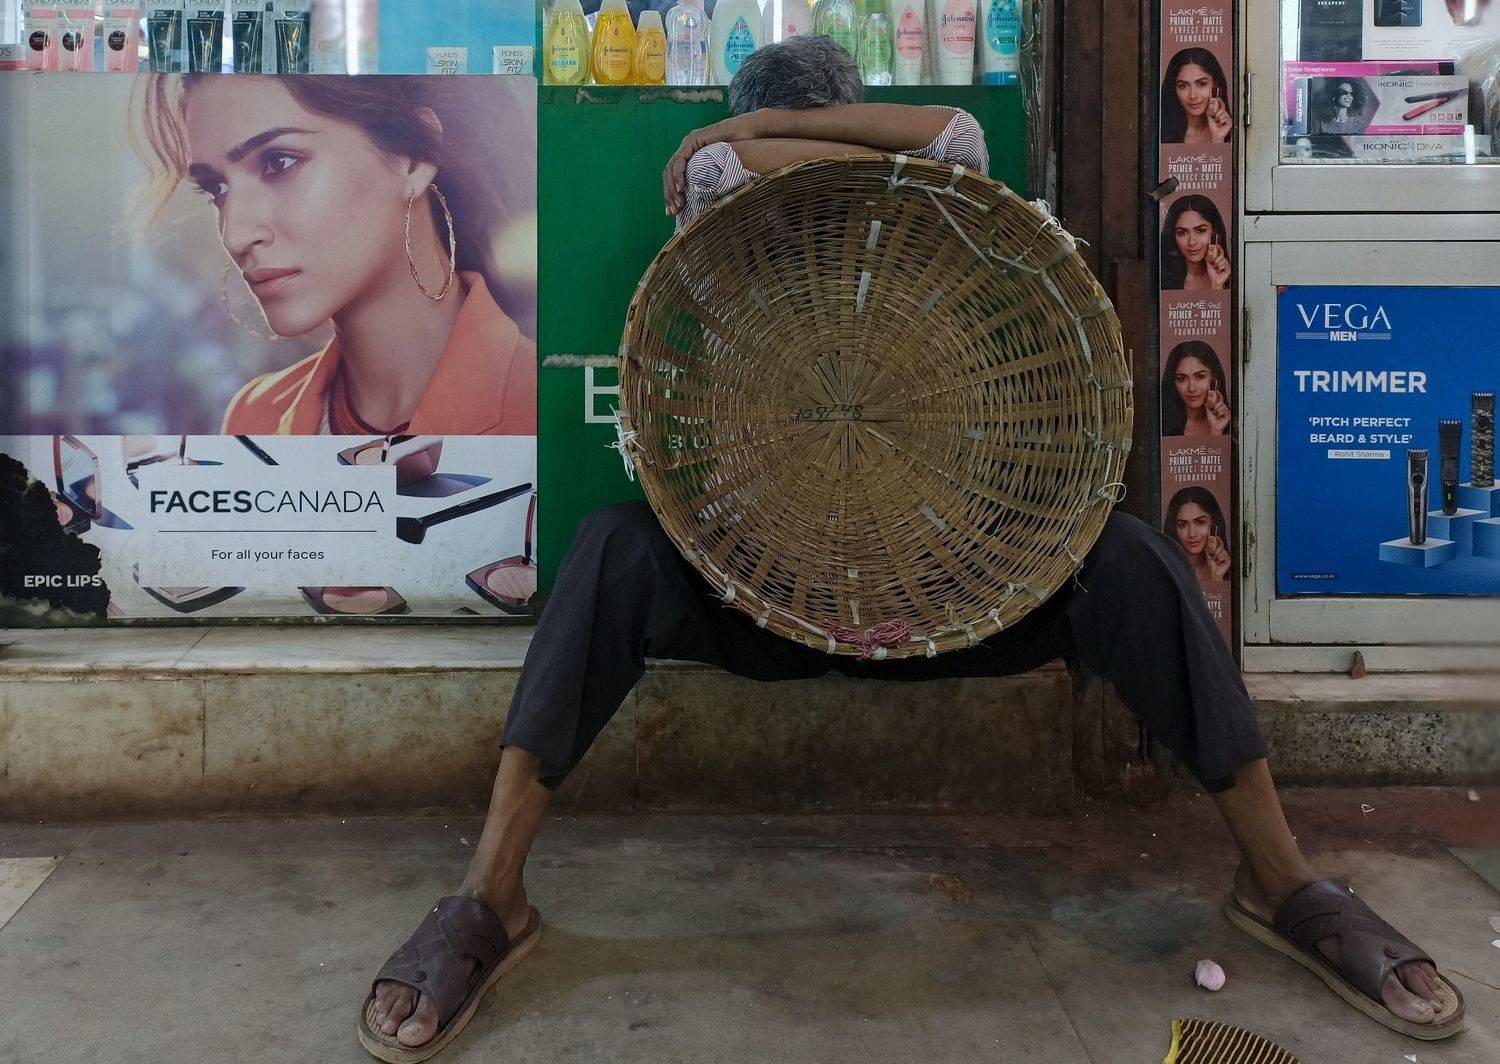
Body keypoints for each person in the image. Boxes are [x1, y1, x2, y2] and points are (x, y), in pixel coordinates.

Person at [358, 35, 1464, 1063]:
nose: (800, 161)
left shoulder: (934, 200)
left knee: (1135, 563)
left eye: (828, 134)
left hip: (951, 599)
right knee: (608, 551)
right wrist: (731, 145)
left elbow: (949, 136)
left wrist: (740, 129)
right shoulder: (721, 197)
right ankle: (490, 893)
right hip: (757, 594)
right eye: (776, 136)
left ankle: (1282, 880)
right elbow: (741, 173)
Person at [136, 75, 537, 437]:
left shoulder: (546, 405)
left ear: (413, 158)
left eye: (279, 163)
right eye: (217, 189)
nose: (235, 234)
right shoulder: (253, 420)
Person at [1160, 48, 1233, 144]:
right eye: (1183, 86)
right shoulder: (1161, 135)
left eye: (1201, 84)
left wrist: (1217, 139)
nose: (1193, 96)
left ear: (1216, 86)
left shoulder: (1234, 133)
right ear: (1174, 89)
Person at [1165, 485, 1232, 588]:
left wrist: (1217, 577)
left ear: (1214, 524)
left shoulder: (1228, 568)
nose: (1192, 534)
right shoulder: (1166, 571)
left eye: (1200, 523)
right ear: (1174, 529)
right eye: (1183, 525)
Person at [1160, 194, 1230, 291]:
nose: (1192, 242)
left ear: (1215, 232)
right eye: (1182, 233)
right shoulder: (1163, 282)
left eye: (1200, 231)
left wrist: (1216, 286)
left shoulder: (1232, 278)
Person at [1161, 341, 1230, 436]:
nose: (1191, 388)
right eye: (1182, 379)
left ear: (1214, 379)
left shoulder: (1228, 423)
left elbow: (1219, 451)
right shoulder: (1162, 427)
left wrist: (1217, 430)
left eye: (1199, 377)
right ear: (1173, 383)